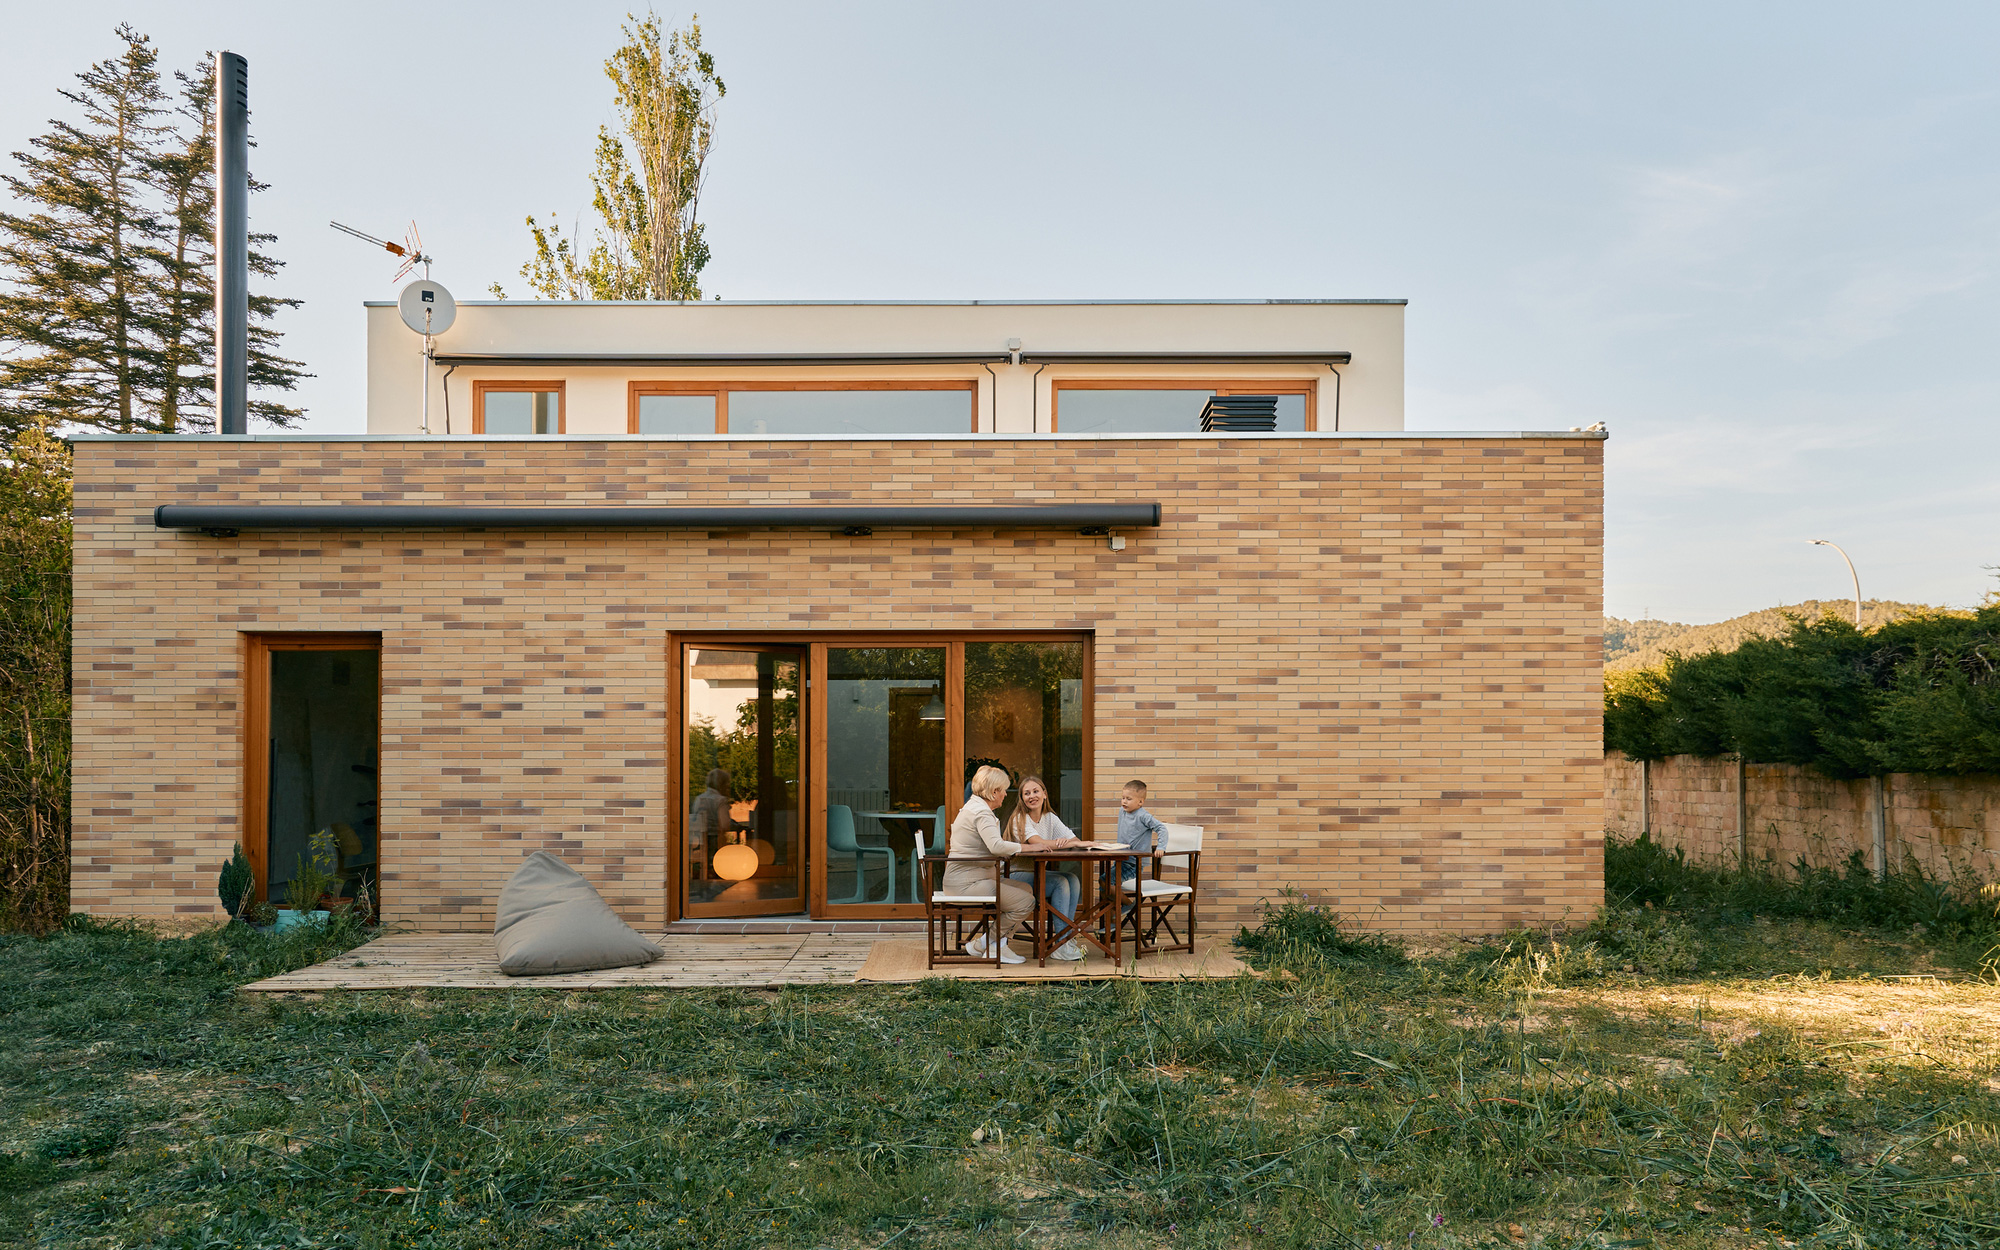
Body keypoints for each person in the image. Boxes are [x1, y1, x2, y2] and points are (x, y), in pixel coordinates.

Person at [942, 764, 1033, 963]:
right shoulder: (981, 813)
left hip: (971, 880)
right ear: (994, 792)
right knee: (1025, 902)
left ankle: (998, 945)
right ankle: (984, 945)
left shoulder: (975, 807)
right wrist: (1030, 848)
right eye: (1004, 791)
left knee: (1025, 889)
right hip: (966, 885)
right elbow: (996, 846)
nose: (1005, 796)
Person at [1005, 774, 1086, 961]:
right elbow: (1040, 843)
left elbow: (1075, 841)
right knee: (1059, 882)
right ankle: (1060, 944)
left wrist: (1067, 842)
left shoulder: (1049, 818)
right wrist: (1064, 843)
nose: (1031, 796)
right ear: (1022, 798)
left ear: (1044, 794)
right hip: (1014, 876)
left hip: (1037, 873)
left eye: (1035, 791)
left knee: (1072, 879)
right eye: (1026, 793)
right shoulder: (1020, 819)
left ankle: (1066, 938)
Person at [1113, 778, 1167, 897]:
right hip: (1121, 858)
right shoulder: (1122, 811)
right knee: (1105, 884)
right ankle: (1114, 912)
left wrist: (1161, 847)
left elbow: (1161, 828)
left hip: (1134, 863)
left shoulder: (1143, 816)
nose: (1124, 802)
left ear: (1140, 802)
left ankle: (1127, 907)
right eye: (1123, 798)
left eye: (1129, 799)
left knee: (1107, 883)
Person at [688, 769, 745, 875]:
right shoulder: (720, 800)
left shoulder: (699, 799)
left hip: (699, 841)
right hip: (715, 841)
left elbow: (696, 819)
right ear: (722, 784)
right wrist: (738, 827)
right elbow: (725, 824)